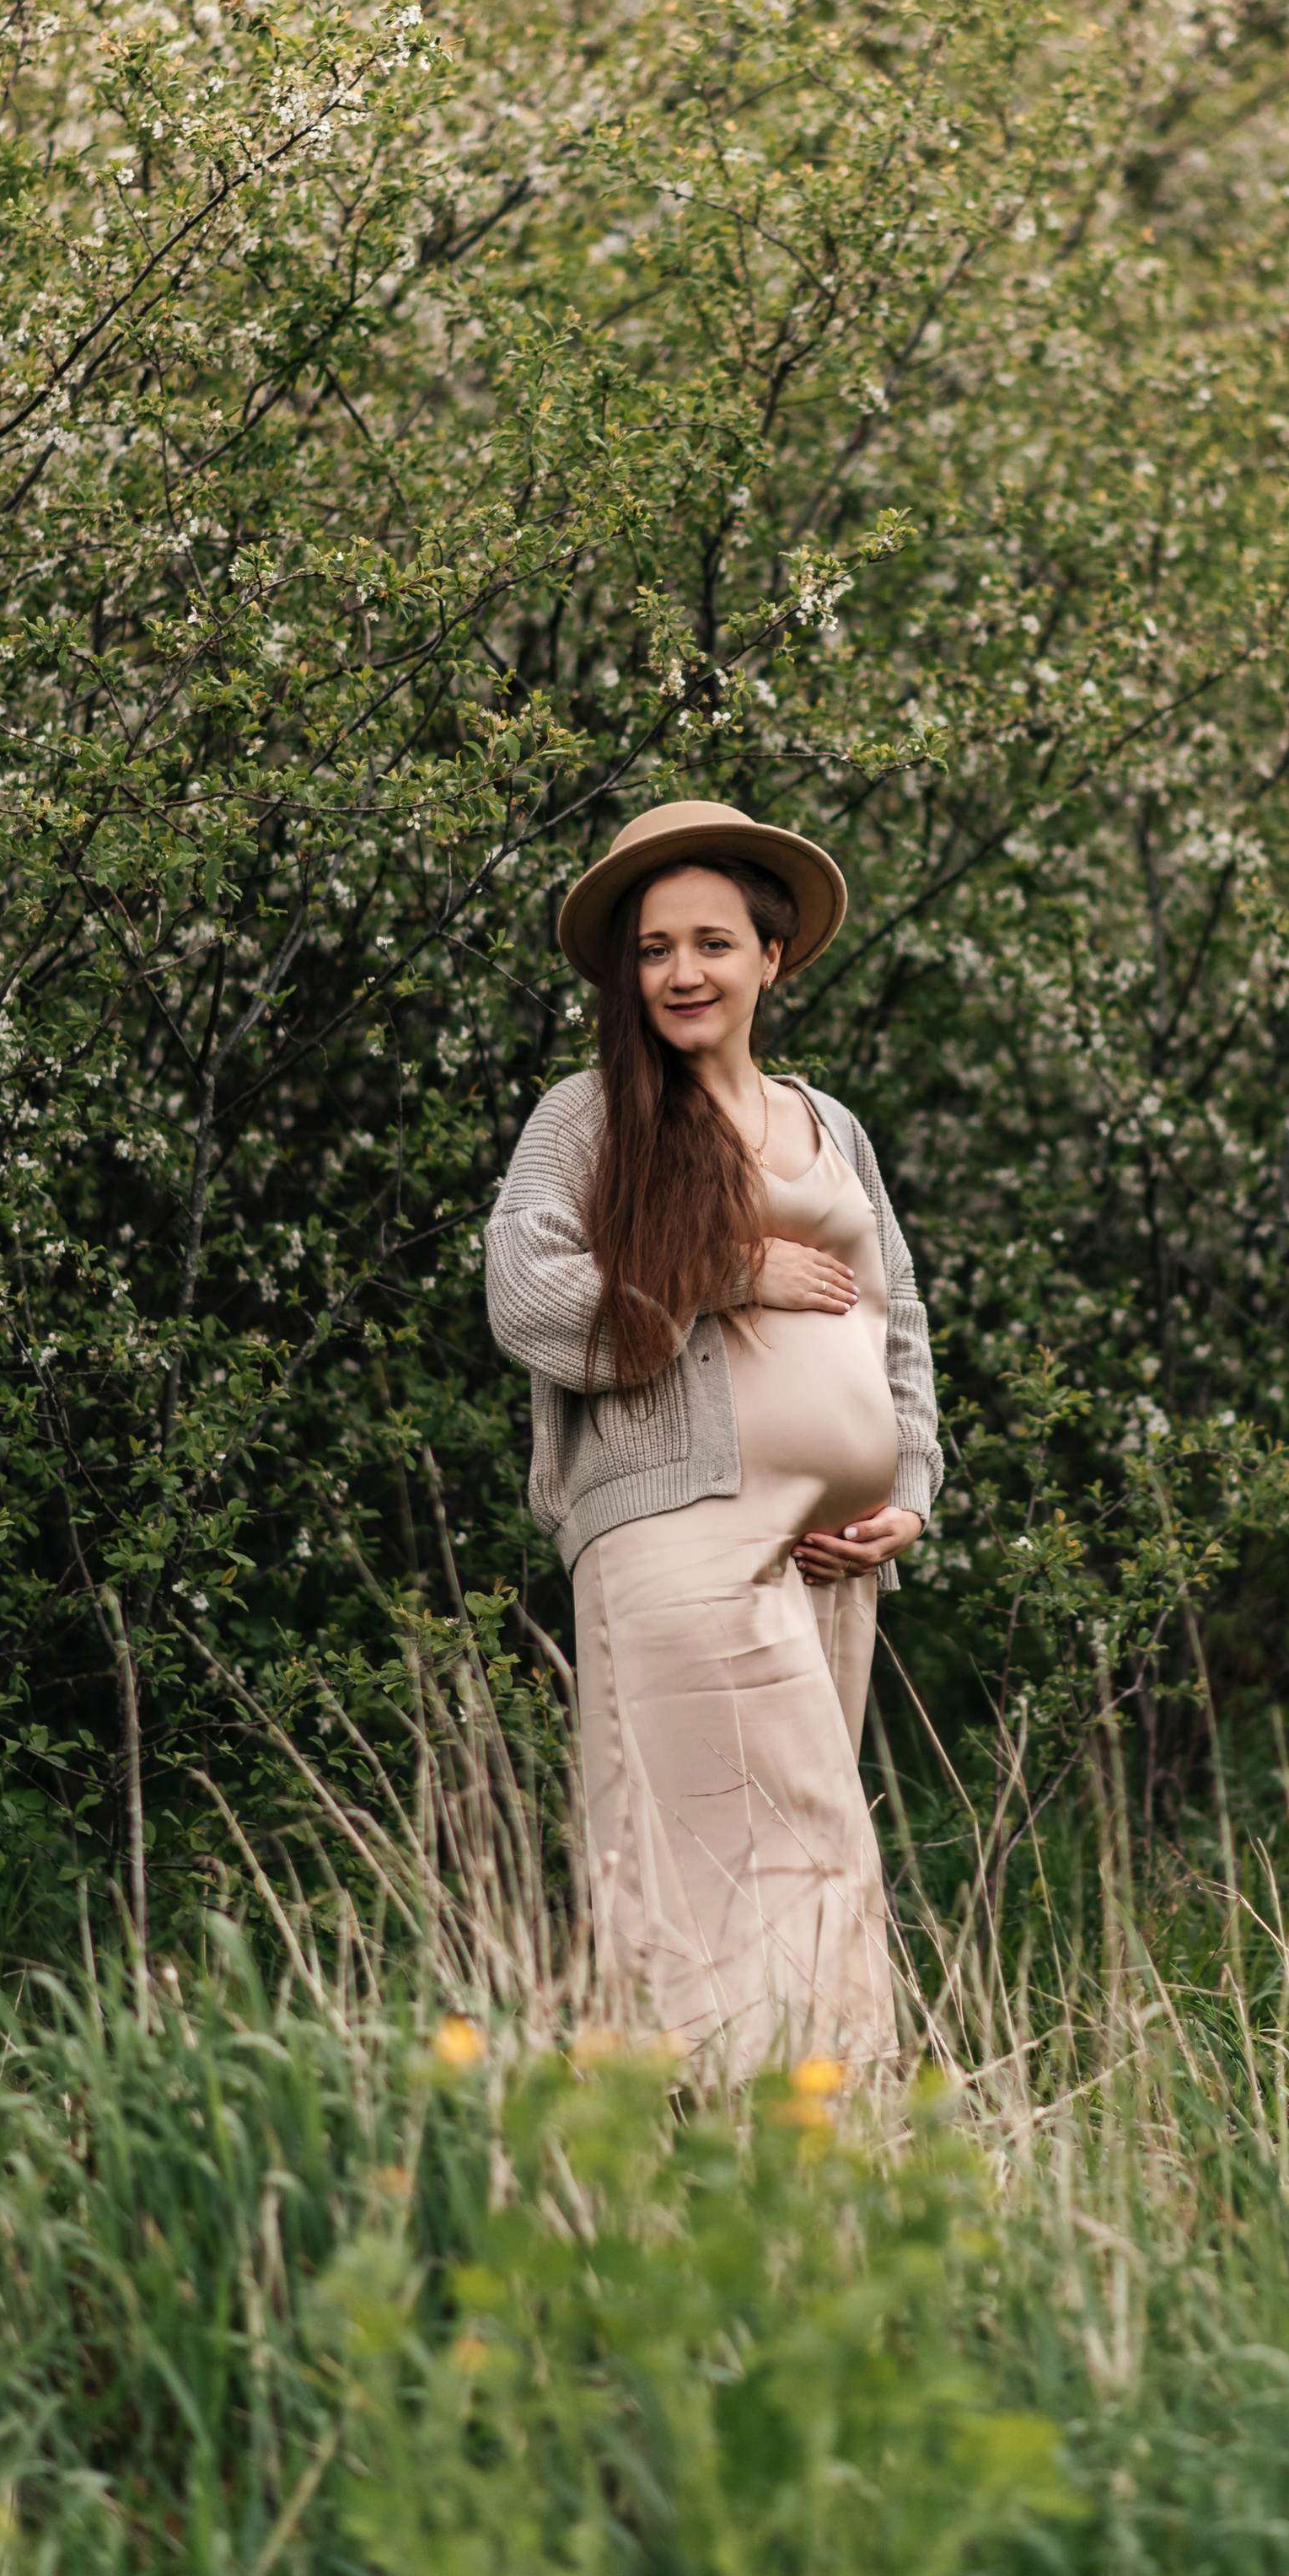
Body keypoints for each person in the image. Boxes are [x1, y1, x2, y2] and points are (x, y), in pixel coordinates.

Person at [486, 798, 941, 2074]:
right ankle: (798, 2149)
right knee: (772, 1854)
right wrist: (726, 1270)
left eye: (712, 942)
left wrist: (909, 1487)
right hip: (682, 1532)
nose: (682, 972)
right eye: (652, 949)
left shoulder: (828, 1121)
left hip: (830, 1555)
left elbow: (896, 1320)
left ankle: (724, 2163)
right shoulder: (589, 1116)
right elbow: (525, 1296)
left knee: (772, 1859)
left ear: (771, 958)